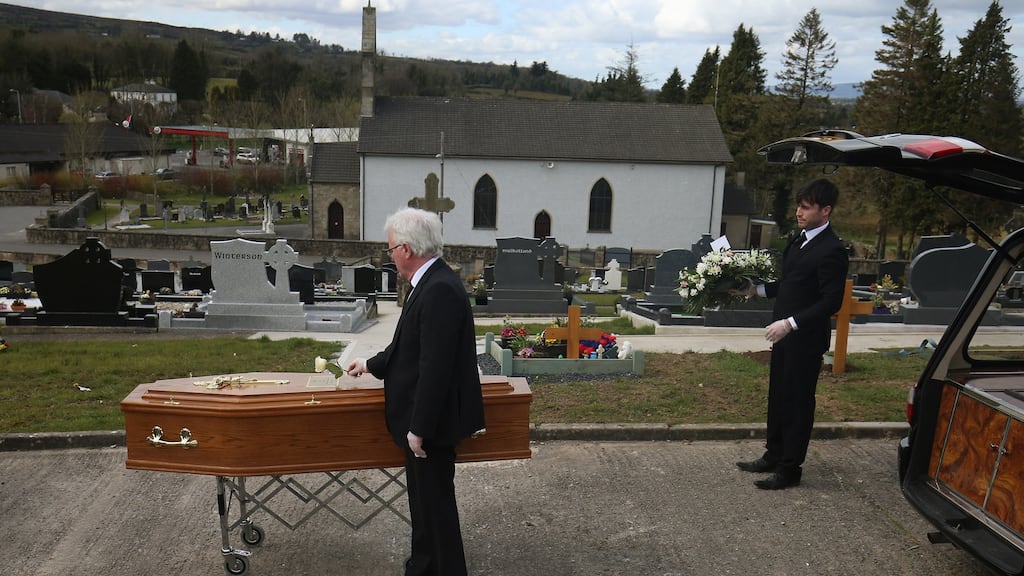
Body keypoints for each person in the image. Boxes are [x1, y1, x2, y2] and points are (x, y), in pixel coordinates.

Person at [347, 207, 485, 575]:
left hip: (431, 424)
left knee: (435, 506)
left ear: (406, 249)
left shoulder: (438, 289)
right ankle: (423, 565)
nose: (389, 256)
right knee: (423, 503)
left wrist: (419, 427)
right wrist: (371, 364)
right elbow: (409, 347)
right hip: (426, 420)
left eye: (390, 248)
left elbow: (435, 367)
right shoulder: (430, 282)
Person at [734, 178, 849, 490]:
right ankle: (773, 454)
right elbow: (792, 283)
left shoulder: (832, 250)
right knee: (779, 397)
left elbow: (831, 301)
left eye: (807, 207)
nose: (799, 211)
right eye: (799, 205)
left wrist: (791, 323)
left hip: (805, 338)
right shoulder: (799, 240)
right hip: (785, 338)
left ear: (825, 211)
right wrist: (755, 289)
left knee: (798, 403)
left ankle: (789, 469)